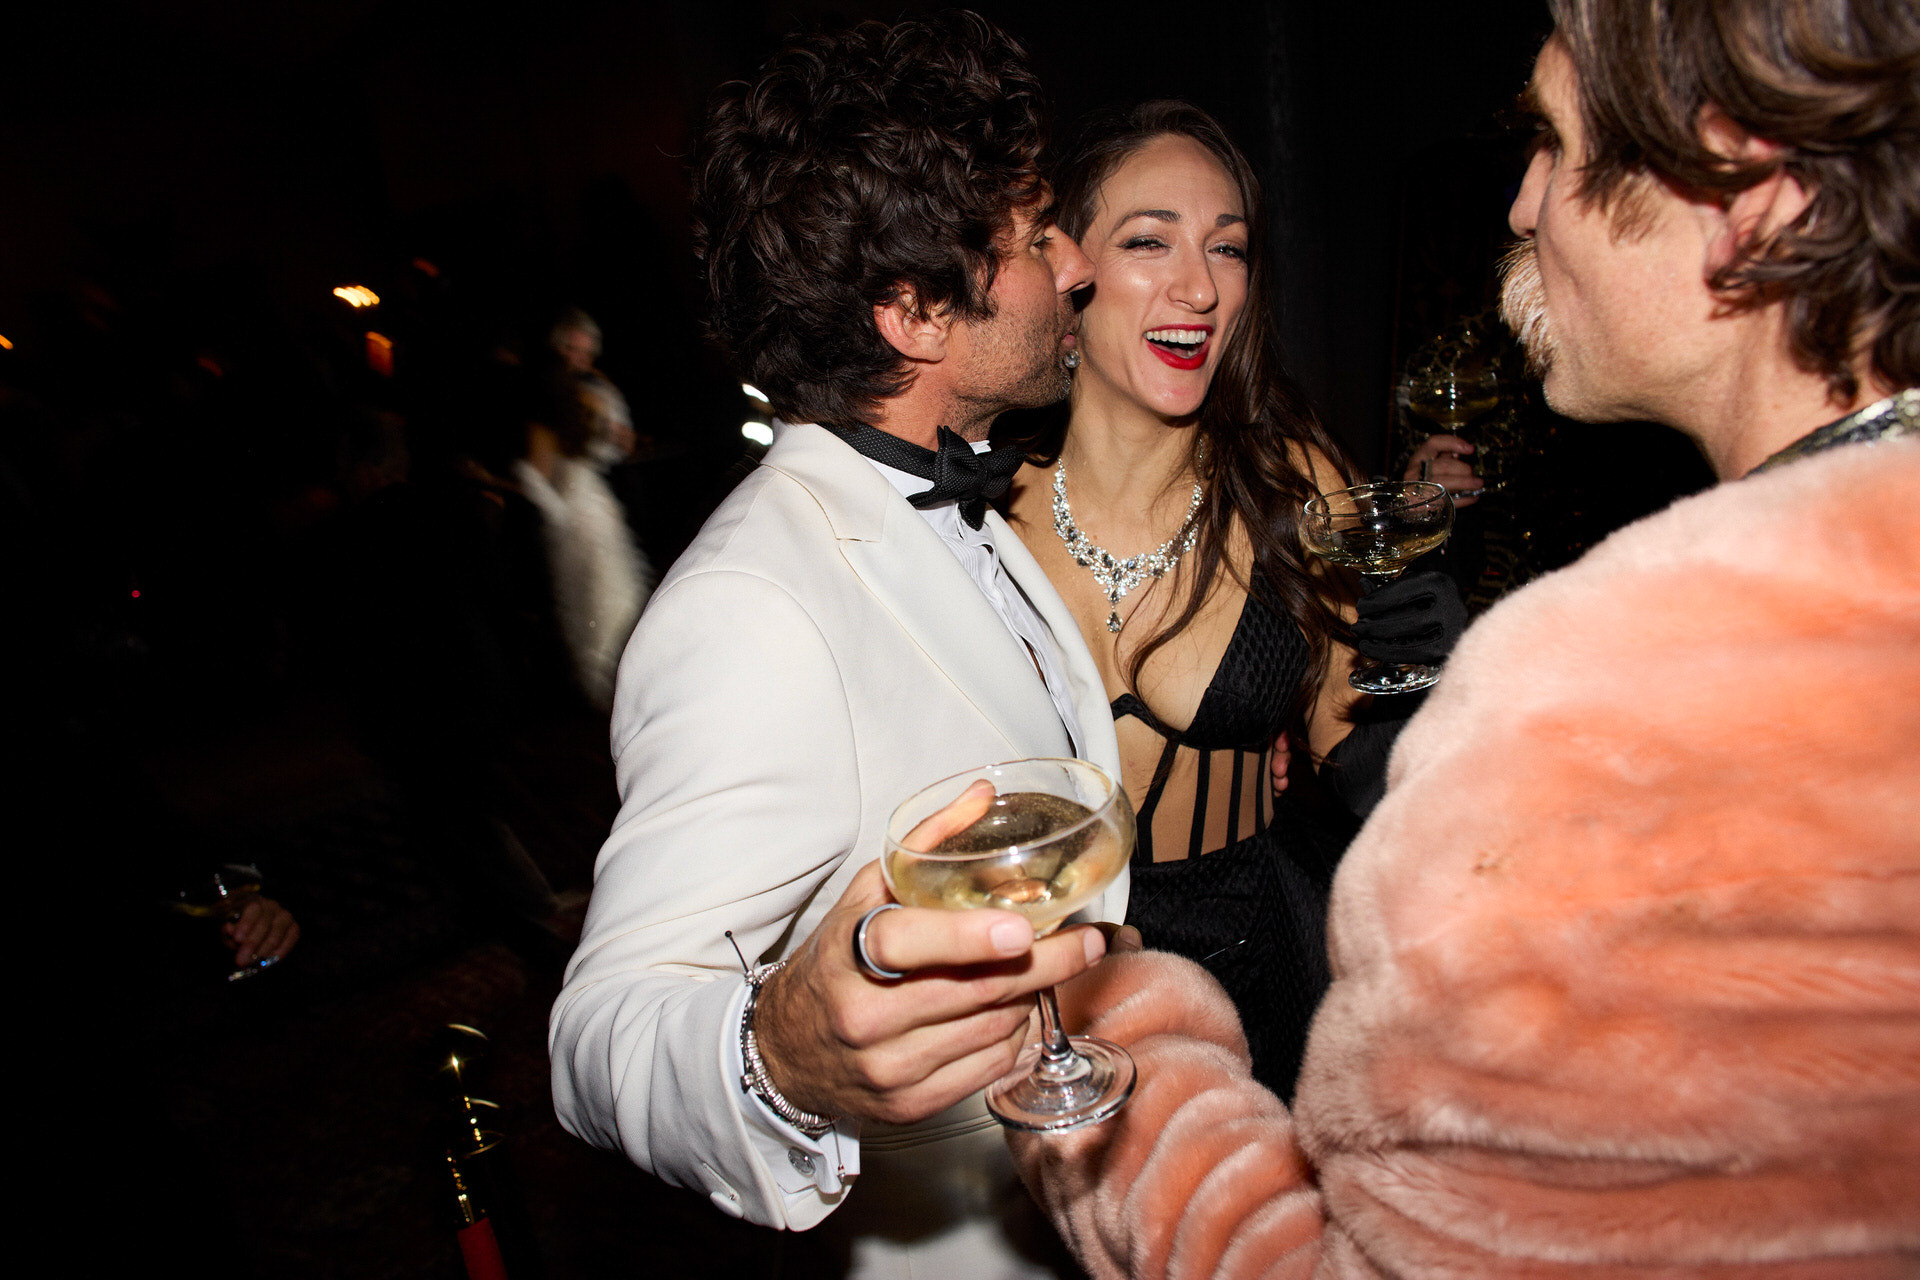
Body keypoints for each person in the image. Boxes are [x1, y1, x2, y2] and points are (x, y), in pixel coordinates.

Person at [1010, 0, 1920, 1274]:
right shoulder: (967, 516)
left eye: (1554, 144)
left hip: (1218, 975)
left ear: (1744, 186)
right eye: (1150, 239)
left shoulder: (1620, 673)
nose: (1521, 203)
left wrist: (1115, 1034)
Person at [549, 14, 1126, 1279]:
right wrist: (780, 1054)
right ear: (914, 312)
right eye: (1039, 236)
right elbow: (597, 1034)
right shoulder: (751, 604)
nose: (1077, 263)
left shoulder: (953, 494)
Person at [1002, 102, 1463, 1097]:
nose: (1201, 286)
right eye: (1149, 240)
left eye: (1228, 247)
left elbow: (1377, 769)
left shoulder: (1291, 483)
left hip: (1258, 970)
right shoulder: (977, 506)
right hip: (1037, 999)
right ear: (1066, 263)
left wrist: (1428, 690)